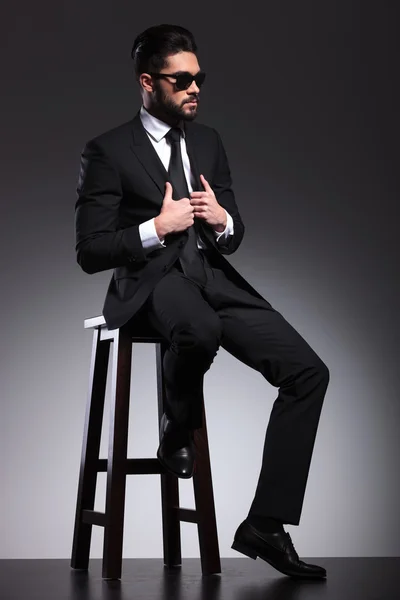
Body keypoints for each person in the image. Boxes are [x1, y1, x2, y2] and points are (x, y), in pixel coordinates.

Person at [75, 23, 330, 579]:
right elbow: (90, 251)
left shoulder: (208, 141)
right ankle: (177, 419)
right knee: (199, 332)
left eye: (200, 78)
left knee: (310, 372)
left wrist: (223, 222)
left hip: (211, 275)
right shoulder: (108, 151)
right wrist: (153, 227)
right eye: (181, 79)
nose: (195, 88)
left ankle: (266, 524)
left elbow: (233, 231)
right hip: (151, 281)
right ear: (148, 82)